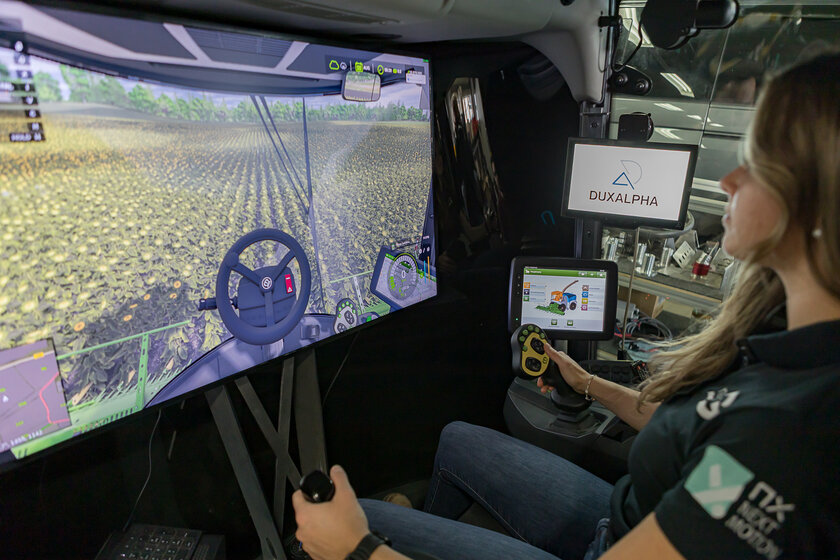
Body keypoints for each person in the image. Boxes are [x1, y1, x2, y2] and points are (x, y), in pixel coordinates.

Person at [292, 51, 840, 560]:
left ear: (819, 203)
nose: (729, 180)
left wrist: (361, 549)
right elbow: (697, 427)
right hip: (623, 517)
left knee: (349, 521)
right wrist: (589, 384)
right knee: (458, 437)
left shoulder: (786, 440)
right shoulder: (788, 342)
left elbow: (732, 468)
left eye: (758, 164)